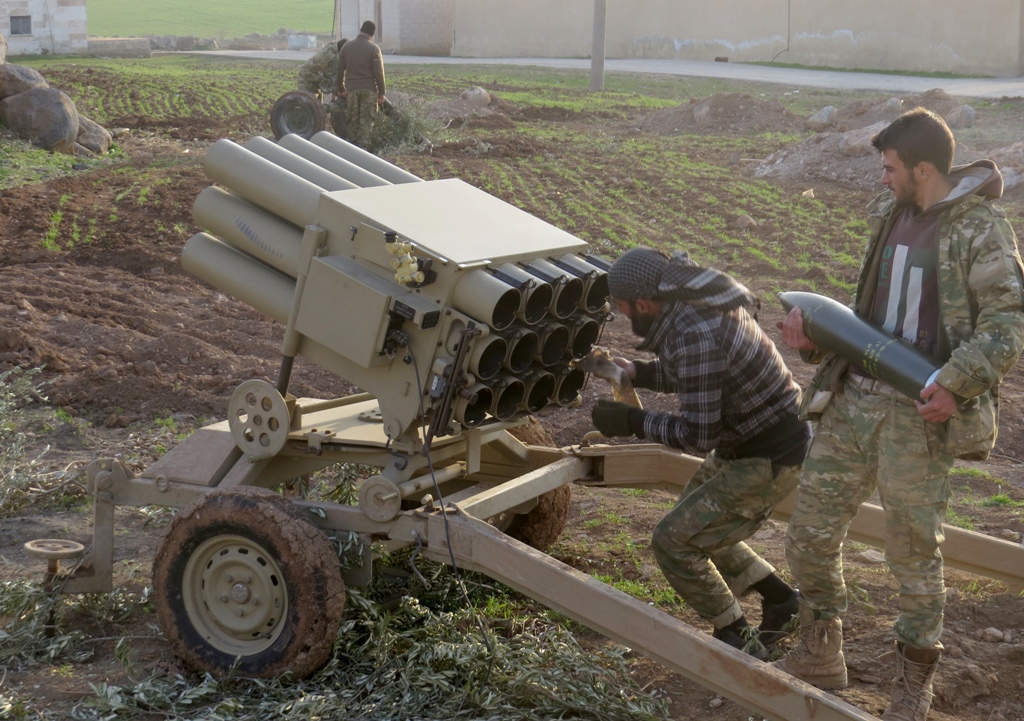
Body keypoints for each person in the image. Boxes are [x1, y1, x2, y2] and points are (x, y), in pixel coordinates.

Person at [775, 108, 1024, 721]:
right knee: (808, 533)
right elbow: (870, 323)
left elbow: (1007, 323)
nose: (881, 179)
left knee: (913, 553)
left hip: (919, 415)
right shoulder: (889, 214)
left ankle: (914, 684)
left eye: (890, 168)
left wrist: (956, 384)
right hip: (853, 401)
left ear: (923, 169)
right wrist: (814, 343)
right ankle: (821, 647)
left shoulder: (980, 229)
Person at [590, 247, 811, 658]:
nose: (621, 314)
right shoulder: (693, 304)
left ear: (642, 303)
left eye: (621, 307)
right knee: (699, 523)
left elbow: (696, 435)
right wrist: (637, 372)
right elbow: (696, 374)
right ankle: (783, 602)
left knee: (673, 541)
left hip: (768, 457)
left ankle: (737, 639)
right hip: (751, 443)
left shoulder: (695, 333)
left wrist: (632, 422)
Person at [336, 20, 386, 149]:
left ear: (361, 30)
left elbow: (339, 70)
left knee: (352, 120)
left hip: (351, 90)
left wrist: (340, 88)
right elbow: (379, 73)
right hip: (369, 90)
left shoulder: (346, 47)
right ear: (372, 34)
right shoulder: (374, 49)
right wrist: (381, 93)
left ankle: (352, 148)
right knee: (366, 121)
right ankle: (364, 148)